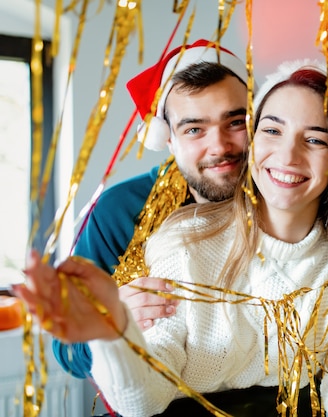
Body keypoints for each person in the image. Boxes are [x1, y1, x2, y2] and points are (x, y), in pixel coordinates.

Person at [15, 60, 328, 417]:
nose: (286, 154)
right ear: (170, 139)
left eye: (316, 139)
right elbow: (146, 394)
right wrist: (112, 328)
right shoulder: (173, 239)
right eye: (273, 130)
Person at [53, 39, 254, 378]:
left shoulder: (287, 197)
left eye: (235, 122)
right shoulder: (119, 211)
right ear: (168, 139)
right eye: (194, 129)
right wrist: (110, 326)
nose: (219, 145)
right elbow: (66, 348)